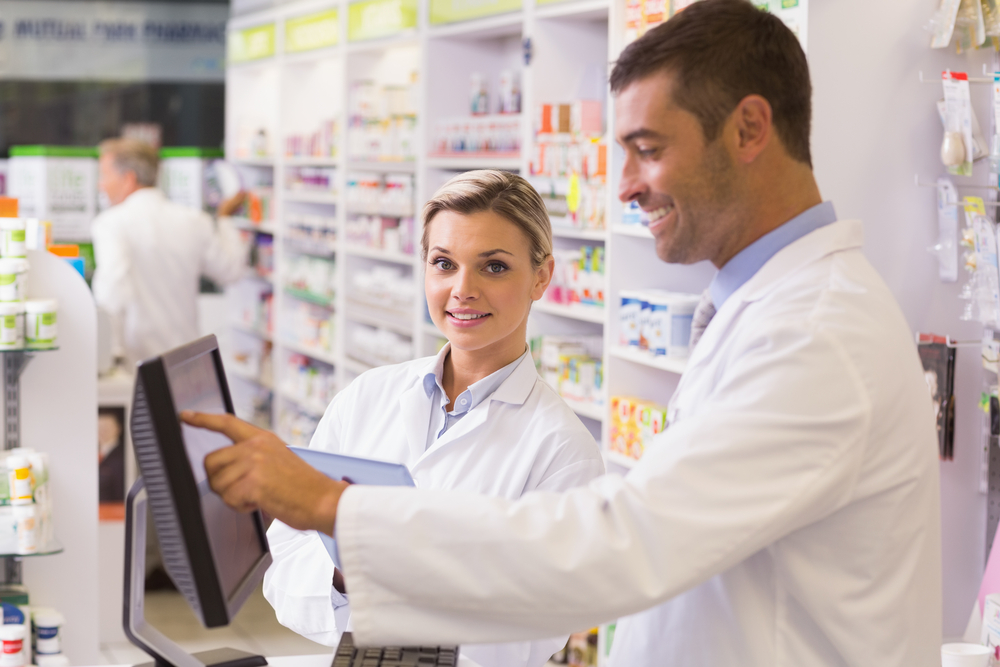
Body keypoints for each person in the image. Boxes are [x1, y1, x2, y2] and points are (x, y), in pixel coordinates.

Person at [183, 2, 942, 665]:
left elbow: (626, 541)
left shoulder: (815, 332)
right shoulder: (774, 307)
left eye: (648, 147)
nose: (625, 184)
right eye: (442, 262)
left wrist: (332, 508)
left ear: (748, 128)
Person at [262, 170, 604, 667]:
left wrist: (398, 572)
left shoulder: (563, 452)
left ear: (541, 277)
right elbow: (286, 557)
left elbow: (535, 632)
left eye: (493, 267)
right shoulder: (365, 397)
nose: (462, 290)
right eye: (444, 263)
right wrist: (344, 574)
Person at [91, 138, 249, 366]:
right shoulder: (194, 220)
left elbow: (112, 293)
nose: (101, 185)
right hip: (188, 360)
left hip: (138, 363)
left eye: (105, 176)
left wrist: (106, 351)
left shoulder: (111, 224)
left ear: (129, 179)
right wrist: (225, 219)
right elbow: (232, 270)